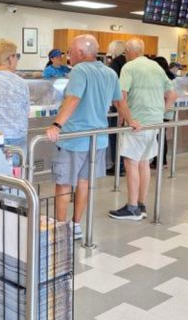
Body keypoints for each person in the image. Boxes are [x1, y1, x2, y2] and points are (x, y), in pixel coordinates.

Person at [46, 34, 139, 240]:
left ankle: (60, 229)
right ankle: (76, 225)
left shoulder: (79, 70)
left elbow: (73, 98)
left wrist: (56, 124)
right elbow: (120, 103)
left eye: (70, 51)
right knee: (83, 182)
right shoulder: (109, 73)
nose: (68, 55)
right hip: (98, 139)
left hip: (74, 138)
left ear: (80, 52)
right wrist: (131, 121)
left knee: (63, 184)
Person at [108, 39, 175, 221]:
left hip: (136, 123)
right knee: (144, 163)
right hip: (154, 124)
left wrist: (128, 119)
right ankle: (141, 204)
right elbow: (172, 94)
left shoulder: (129, 68)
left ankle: (131, 208)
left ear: (129, 51)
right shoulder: (156, 67)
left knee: (131, 164)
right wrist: (161, 112)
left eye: (125, 52)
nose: (125, 55)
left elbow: (121, 97)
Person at [151, 56, 176, 169]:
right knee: (161, 136)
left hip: (163, 111)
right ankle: (160, 160)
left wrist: (162, 111)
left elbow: (169, 95)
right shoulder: (169, 77)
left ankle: (160, 161)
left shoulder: (163, 78)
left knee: (159, 136)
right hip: (166, 110)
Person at [106, 40, 127, 176]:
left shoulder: (114, 64)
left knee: (115, 135)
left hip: (118, 105)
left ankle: (117, 166)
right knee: (124, 136)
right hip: (129, 106)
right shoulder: (129, 63)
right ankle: (123, 164)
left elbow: (112, 86)